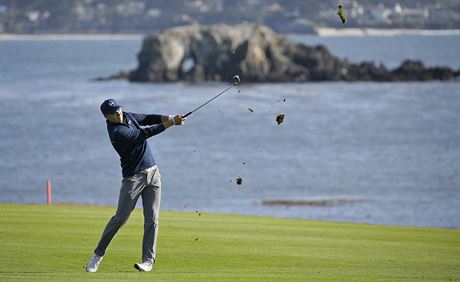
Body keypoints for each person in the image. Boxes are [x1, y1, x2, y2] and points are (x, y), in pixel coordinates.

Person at [86, 98, 185, 273]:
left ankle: (148, 261)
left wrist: (170, 116)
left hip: (153, 174)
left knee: (152, 219)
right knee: (119, 219)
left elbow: (146, 118)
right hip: (133, 180)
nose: (119, 112)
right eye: (114, 112)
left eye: (119, 108)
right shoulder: (116, 132)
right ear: (106, 117)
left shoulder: (127, 116)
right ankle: (98, 254)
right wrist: (172, 123)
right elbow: (144, 134)